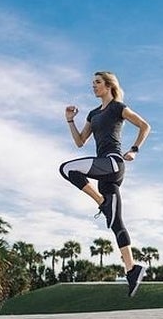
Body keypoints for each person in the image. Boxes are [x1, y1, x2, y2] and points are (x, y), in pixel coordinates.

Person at [59, 71, 151, 297]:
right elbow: (80, 142)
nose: (94, 86)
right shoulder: (92, 114)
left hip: (113, 163)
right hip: (104, 171)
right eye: (92, 83)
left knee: (67, 168)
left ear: (109, 85)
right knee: (116, 222)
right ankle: (132, 269)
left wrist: (134, 150)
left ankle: (101, 202)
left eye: (97, 82)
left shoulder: (118, 107)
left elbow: (144, 126)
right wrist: (70, 120)